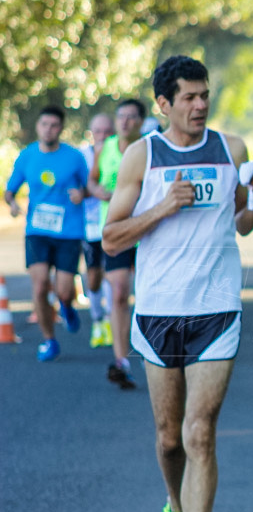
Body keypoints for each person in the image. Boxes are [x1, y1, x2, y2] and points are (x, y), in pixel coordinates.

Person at [101, 56, 253, 512]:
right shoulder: (141, 156)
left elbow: (240, 222)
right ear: (164, 104)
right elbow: (111, 237)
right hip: (157, 311)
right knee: (168, 437)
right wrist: (160, 209)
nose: (201, 105)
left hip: (216, 308)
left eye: (205, 95)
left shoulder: (232, 149)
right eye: (190, 97)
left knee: (200, 433)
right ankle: (172, 505)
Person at [5, 106, 89, 362]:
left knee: (64, 290)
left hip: (69, 232)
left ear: (61, 128)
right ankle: (49, 340)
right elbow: (10, 190)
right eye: (44, 124)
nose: (48, 129)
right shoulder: (26, 156)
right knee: (40, 285)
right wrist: (12, 203)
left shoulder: (74, 157)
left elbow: (89, 186)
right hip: (37, 231)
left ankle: (66, 305)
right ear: (38, 126)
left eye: (54, 125)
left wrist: (82, 193)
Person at [89, 98, 146, 389]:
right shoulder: (105, 148)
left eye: (131, 117)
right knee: (120, 292)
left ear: (141, 121)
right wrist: (100, 192)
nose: (125, 121)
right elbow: (92, 181)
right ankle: (121, 360)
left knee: (148, 294)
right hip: (114, 231)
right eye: (121, 116)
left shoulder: (151, 148)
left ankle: (156, 354)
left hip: (147, 232)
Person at [80, 113, 115, 348]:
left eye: (107, 132)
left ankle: (113, 321)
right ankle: (97, 320)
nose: (102, 136)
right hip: (90, 225)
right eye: (98, 132)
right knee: (93, 276)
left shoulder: (121, 153)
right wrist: (85, 192)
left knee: (115, 275)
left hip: (114, 223)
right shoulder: (81, 156)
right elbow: (73, 186)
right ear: (90, 134)